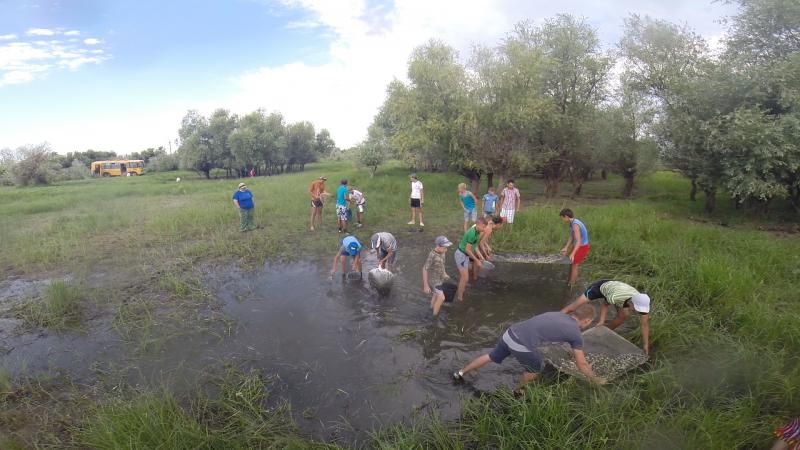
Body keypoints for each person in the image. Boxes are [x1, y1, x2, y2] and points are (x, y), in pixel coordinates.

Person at [453, 305, 606, 390]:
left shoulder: (557, 314)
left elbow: (556, 336)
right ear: (586, 321)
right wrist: (595, 378)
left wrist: (573, 355)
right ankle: (518, 391)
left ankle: (461, 372)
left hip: (510, 333)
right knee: (536, 367)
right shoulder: (576, 333)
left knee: (491, 356)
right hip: (521, 344)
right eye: (589, 323)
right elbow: (582, 364)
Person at [561, 280, 652, 355]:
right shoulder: (616, 297)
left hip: (619, 291)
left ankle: (604, 332)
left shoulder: (643, 302)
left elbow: (644, 324)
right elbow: (605, 305)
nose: (637, 311)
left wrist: (645, 345)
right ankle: (557, 318)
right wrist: (601, 320)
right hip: (600, 288)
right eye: (636, 308)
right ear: (631, 303)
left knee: (623, 315)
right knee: (573, 307)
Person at [454, 217, 488, 302]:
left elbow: (474, 246)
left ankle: (461, 291)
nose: (485, 229)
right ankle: (459, 297)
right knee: (465, 278)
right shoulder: (472, 233)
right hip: (461, 255)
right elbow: (467, 250)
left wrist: (480, 257)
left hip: (465, 256)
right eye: (483, 227)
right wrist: (476, 260)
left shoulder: (477, 232)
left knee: (465, 278)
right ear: (478, 225)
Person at [422, 236, 456, 316]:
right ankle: (434, 317)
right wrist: (426, 285)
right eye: (445, 247)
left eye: (447, 247)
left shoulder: (443, 252)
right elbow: (424, 269)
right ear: (438, 246)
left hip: (440, 279)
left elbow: (442, 264)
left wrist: (444, 274)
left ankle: (431, 309)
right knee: (441, 298)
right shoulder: (432, 255)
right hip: (434, 280)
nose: (446, 249)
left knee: (435, 295)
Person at [559, 208, 589, 285]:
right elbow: (572, 236)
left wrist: (573, 253)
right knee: (572, 262)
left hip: (582, 246)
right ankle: (571, 279)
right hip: (578, 245)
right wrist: (566, 247)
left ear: (566, 216)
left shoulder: (575, 225)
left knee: (575, 265)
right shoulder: (572, 222)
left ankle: (571, 284)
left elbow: (578, 241)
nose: (562, 220)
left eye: (562, 218)